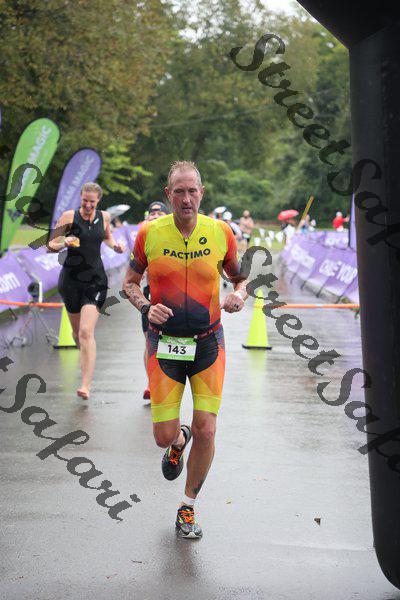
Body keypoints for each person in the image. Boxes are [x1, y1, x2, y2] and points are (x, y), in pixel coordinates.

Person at [123, 160, 248, 538]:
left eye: (192, 191)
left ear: (202, 193)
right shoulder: (149, 233)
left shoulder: (221, 232)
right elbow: (129, 283)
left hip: (209, 343)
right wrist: (145, 306)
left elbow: (240, 278)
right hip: (165, 344)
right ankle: (178, 441)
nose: (186, 198)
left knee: (206, 429)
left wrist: (240, 295)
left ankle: (187, 506)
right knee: (162, 436)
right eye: (179, 191)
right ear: (169, 194)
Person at [48, 182, 125, 400]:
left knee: (85, 332)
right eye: (85, 201)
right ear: (80, 198)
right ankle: (84, 355)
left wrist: (115, 246)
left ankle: (85, 385)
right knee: (77, 334)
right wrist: (64, 242)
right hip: (71, 281)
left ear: (98, 200)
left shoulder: (105, 217)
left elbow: (106, 237)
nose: (88, 205)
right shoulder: (69, 217)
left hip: (96, 280)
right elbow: (49, 245)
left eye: (92, 202)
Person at [141, 201, 169, 402]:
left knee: (168, 339)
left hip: (173, 294)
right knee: (150, 340)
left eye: (160, 214)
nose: (156, 216)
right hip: (150, 293)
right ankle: (151, 382)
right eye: (153, 214)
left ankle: (168, 381)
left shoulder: (175, 235)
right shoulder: (143, 236)